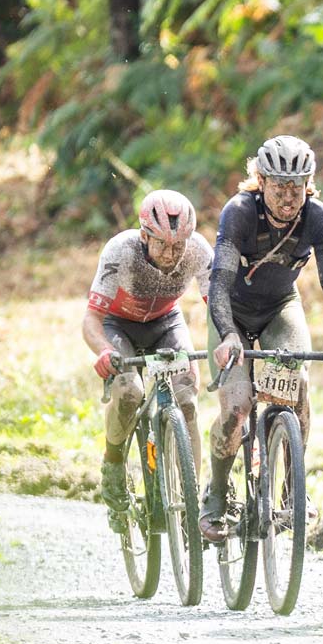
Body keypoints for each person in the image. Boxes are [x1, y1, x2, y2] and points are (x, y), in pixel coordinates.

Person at [202, 134, 323, 538]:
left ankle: (292, 492)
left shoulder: (319, 219)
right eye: (278, 187)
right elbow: (218, 284)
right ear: (261, 181)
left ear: (308, 185)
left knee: (297, 383)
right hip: (231, 314)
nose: (288, 198)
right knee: (237, 409)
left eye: (297, 187)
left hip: (278, 307)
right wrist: (227, 335)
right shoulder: (239, 213)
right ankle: (216, 493)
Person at [86, 188, 212, 531]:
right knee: (129, 393)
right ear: (144, 236)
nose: (171, 254)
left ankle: (190, 496)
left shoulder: (198, 250)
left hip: (166, 323)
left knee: (187, 397)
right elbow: (91, 320)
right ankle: (113, 462)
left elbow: (218, 307)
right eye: (162, 245)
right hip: (118, 326)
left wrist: (229, 339)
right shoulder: (120, 251)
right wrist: (104, 350)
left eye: (178, 245)